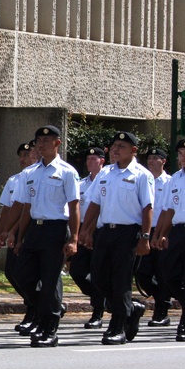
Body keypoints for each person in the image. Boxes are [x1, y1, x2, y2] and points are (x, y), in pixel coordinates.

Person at [78, 131, 154, 345]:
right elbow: (94, 202)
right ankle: (130, 308)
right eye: (115, 145)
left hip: (128, 233)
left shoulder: (141, 175)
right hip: (105, 232)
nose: (117, 149)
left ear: (134, 150)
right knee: (99, 278)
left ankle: (117, 326)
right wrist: (86, 230)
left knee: (121, 281)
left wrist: (145, 237)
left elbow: (148, 207)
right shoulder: (105, 173)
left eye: (122, 145)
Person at [12, 125, 80, 347]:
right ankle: (45, 312)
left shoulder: (67, 172)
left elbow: (74, 206)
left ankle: (49, 327)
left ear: (57, 143)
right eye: (38, 141)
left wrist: (74, 239)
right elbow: (25, 207)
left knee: (49, 281)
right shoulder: (30, 173)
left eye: (46, 140)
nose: (41, 144)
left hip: (56, 229)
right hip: (35, 229)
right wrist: (20, 238)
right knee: (24, 276)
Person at [0, 142, 39, 334]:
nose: (26, 158)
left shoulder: (38, 176)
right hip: (17, 229)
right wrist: (2, 232)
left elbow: (26, 208)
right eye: (23, 155)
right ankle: (34, 305)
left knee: (29, 273)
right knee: (12, 272)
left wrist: (14, 231)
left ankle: (37, 310)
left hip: (32, 228)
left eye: (29, 153)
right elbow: (8, 208)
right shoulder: (15, 180)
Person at [150, 139, 185, 342]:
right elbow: (168, 209)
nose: (183, 156)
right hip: (178, 231)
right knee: (169, 275)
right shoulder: (175, 180)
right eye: (180, 152)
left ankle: (184, 323)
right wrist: (159, 234)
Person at [69, 146, 106, 328]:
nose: (90, 161)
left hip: (99, 230)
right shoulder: (81, 184)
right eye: (88, 158)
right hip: (82, 230)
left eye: (94, 158)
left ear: (102, 161)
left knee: (98, 272)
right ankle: (100, 298)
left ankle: (97, 312)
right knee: (77, 271)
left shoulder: (107, 180)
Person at [136, 147, 172, 326]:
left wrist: (162, 234)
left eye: (155, 158)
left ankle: (162, 312)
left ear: (163, 161)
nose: (150, 161)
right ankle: (161, 297)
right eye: (149, 158)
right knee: (142, 273)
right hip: (145, 231)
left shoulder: (169, 182)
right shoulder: (144, 179)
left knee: (162, 271)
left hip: (163, 230)